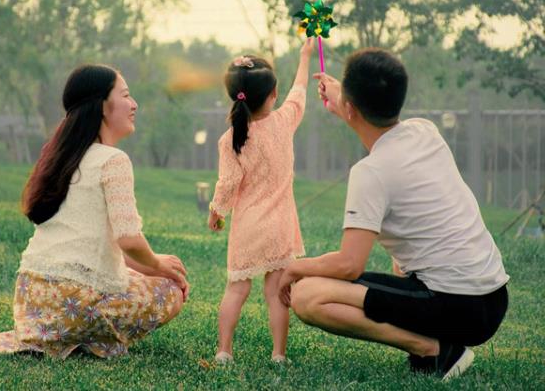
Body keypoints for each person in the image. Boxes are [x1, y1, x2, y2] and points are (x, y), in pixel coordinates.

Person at [279, 48, 509, 381]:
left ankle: (433, 349)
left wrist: (294, 267)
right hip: (492, 298)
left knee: (307, 295)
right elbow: (373, 122)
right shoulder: (424, 131)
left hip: (456, 305)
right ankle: (438, 342)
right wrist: (345, 101)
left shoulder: (370, 173)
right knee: (399, 261)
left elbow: (349, 264)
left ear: (351, 107)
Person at [0, 64, 189, 359]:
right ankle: (94, 338)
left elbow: (108, 254)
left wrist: (152, 267)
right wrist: (159, 266)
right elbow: (129, 240)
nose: (134, 105)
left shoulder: (62, 156)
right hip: (75, 302)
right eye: (126, 95)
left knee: (140, 276)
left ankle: (60, 336)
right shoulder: (113, 160)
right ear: (104, 106)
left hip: (32, 300)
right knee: (169, 291)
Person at [207, 38, 314, 363]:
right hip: (279, 226)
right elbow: (300, 90)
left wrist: (217, 211)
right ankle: (278, 354)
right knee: (276, 294)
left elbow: (228, 182)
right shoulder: (284, 122)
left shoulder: (230, 139)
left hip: (248, 228)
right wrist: (305, 55)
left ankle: (224, 350)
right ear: (273, 94)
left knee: (236, 290)